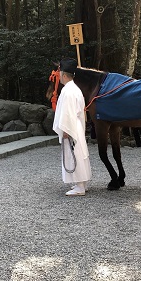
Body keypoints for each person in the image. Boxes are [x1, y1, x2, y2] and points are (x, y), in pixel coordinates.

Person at [52, 58, 92, 196]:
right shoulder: (74, 89)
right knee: (79, 153)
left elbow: (67, 113)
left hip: (71, 127)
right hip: (76, 126)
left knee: (74, 154)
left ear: (63, 75)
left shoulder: (68, 91)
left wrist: (65, 131)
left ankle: (80, 186)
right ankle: (81, 183)